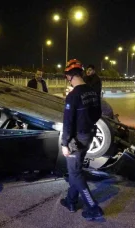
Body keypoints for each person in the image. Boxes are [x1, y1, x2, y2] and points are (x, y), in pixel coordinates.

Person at [59, 59, 104, 220]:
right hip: (89, 135)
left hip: (76, 139)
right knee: (75, 170)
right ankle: (71, 201)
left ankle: (92, 207)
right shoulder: (92, 91)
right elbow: (98, 113)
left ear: (69, 77)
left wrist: (65, 143)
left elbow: (68, 123)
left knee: (76, 173)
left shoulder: (73, 96)